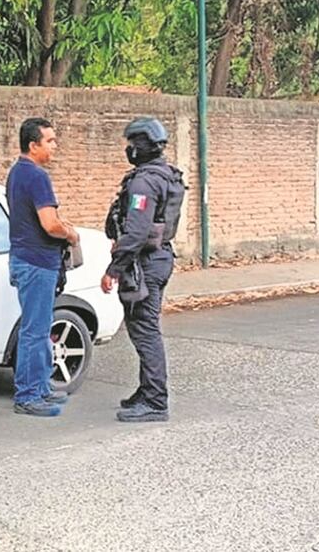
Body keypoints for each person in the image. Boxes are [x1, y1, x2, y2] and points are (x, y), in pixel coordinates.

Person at [101, 116, 185, 423]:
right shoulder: (166, 175)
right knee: (145, 327)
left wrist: (113, 268)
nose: (129, 149)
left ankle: (155, 401)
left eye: (132, 143)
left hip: (145, 264)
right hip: (160, 259)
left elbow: (136, 232)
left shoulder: (144, 181)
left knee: (145, 330)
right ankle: (147, 390)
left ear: (143, 146)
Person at [6, 118, 80, 417]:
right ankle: (28, 395)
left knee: (38, 328)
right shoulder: (36, 177)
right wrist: (70, 233)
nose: (54, 146)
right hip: (37, 262)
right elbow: (49, 224)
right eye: (49, 141)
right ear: (33, 145)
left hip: (28, 259)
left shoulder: (16, 173)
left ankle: (40, 388)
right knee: (35, 331)